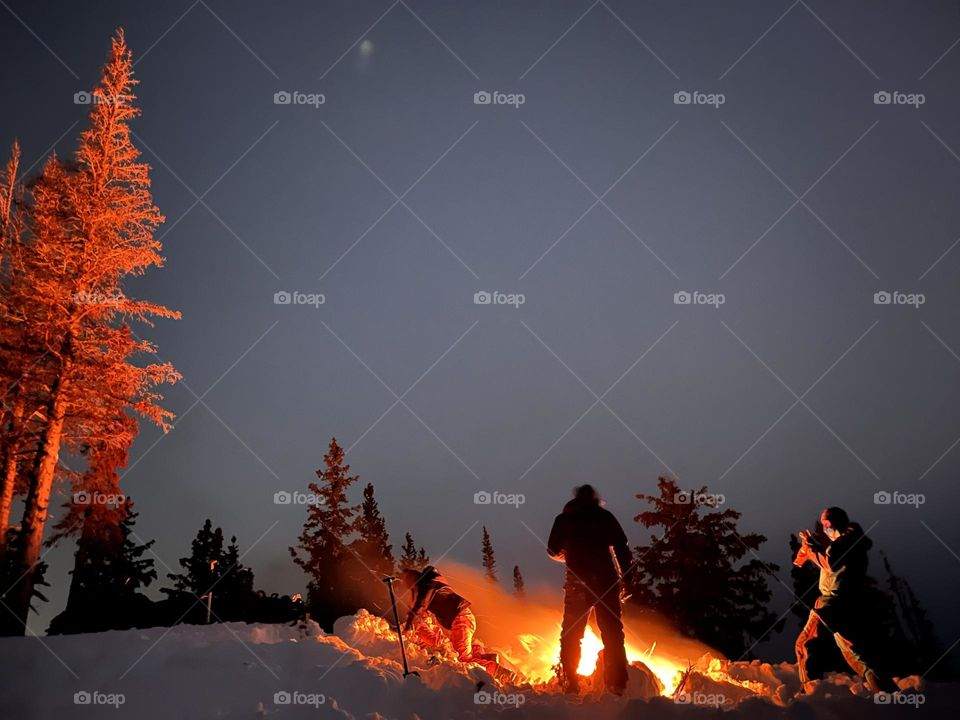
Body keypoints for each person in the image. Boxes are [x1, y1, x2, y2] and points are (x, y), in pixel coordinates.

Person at [794, 507, 897, 695]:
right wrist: (810, 548)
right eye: (823, 525)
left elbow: (830, 562)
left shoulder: (847, 540)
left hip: (833, 604)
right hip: (842, 605)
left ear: (839, 522)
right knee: (856, 654)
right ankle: (889, 694)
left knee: (805, 644)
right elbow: (825, 560)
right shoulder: (847, 542)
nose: (824, 529)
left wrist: (810, 548)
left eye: (827, 524)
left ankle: (809, 695)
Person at [547, 484, 631, 695]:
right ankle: (618, 682)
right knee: (612, 631)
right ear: (594, 498)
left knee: (572, 633)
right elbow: (622, 547)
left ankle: (570, 682)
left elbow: (552, 550)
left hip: (577, 583)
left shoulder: (564, 519)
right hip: (605, 582)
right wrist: (627, 579)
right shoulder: (604, 517)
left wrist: (568, 555)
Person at [401, 566, 498, 675]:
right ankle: (488, 658)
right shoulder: (435, 586)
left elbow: (420, 606)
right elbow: (425, 611)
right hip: (464, 617)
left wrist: (408, 626)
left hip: (460, 620)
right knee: (466, 652)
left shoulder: (427, 585)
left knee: (464, 659)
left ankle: (500, 673)